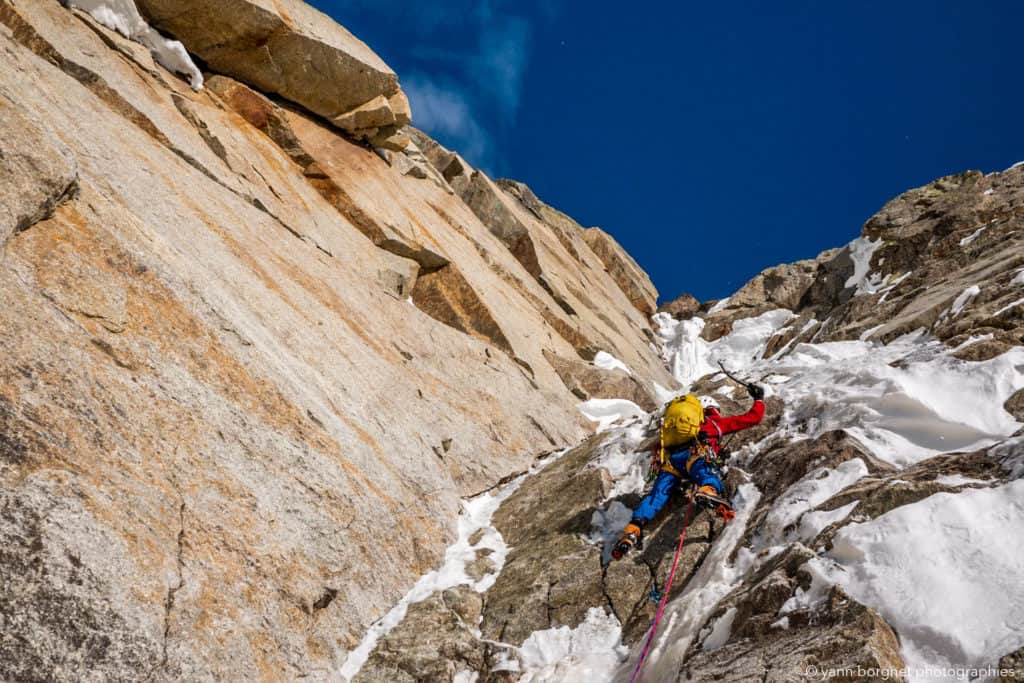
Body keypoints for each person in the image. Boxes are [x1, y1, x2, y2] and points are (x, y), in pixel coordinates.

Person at [612, 384, 766, 559]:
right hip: (696, 455)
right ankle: (707, 490)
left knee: (656, 496)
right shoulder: (715, 422)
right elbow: (753, 418)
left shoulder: (675, 430)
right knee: (708, 475)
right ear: (712, 409)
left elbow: (658, 449)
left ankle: (632, 530)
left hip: (671, 463)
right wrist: (759, 399)